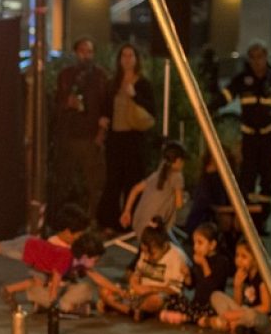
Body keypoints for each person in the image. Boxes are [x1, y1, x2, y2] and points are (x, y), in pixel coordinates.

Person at [0, 204, 91, 311]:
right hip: (26, 248)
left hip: (33, 256)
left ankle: (9, 290)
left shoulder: (65, 244)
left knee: (38, 280)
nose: (79, 237)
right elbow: (56, 274)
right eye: (78, 234)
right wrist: (53, 297)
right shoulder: (60, 246)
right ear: (67, 231)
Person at [209, 40, 271, 236]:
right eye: (253, 58)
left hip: (269, 138)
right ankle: (247, 224)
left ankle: (262, 222)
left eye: (260, 57)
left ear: (266, 56)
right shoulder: (242, 79)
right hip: (249, 137)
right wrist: (208, 107)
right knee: (247, 180)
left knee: (267, 181)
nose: (257, 61)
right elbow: (226, 96)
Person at [95, 43, 155, 234]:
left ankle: (131, 221)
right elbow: (106, 106)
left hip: (134, 139)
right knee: (113, 180)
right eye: (124, 56)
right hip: (115, 138)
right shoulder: (113, 83)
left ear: (136, 59)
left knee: (133, 179)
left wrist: (135, 96)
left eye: (131, 56)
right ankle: (110, 222)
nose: (127, 60)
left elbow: (151, 111)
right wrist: (103, 120)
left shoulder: (143, 84)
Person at [51, 35, 109, 216]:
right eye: (82, 51)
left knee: (94, 183)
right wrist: (67, 103)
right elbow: (56, 104)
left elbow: (106, 106)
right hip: (68, 135)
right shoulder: (66, 75)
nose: (86, 55)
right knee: (62, 181)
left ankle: (93, 219)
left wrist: (101, 134)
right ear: (76, 53)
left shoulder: (100, 76)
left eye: (89, 51)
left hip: (90, 137)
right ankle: (59, 218)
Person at [101, 218, 189, 321]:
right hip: (138, 295)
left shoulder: (176, 257)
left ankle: (124, 308)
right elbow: (137, 272)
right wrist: (134, 281)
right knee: (105, 290)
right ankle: (131, 311)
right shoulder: (146, 252)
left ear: (164, 246)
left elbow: (175, 290)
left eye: (152, 254)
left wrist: (150, 289)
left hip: (158, 295)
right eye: (144, 252)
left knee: (157, 300)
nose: (147, 257)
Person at [202, 237, 271, 334]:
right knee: (216, 295)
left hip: (265, 320)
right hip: (244, 313)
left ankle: (226, 323)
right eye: (237, 255)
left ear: (256, 259)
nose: (239, 260)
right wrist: (237, 286)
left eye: (244, 257)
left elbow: (266, 308)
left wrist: (240, 313)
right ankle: (235, 325)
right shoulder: (244, 275)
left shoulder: (262, 278)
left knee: (252, 316)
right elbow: (238, 304)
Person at [160, 222, 232, 326]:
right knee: (173, 299)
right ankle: (191, 317)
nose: (195, 247)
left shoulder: (222, 261)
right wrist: (187, 275)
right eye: (194, 243)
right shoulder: (199, 259)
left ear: (212, 245)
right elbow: (191, 285)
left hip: (211, 305)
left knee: (207, 312)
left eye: (200, 243)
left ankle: (190, 318)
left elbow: (213, 287)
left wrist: (204, 264)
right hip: (197, 303)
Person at [119, 139, 187, 243]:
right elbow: (179, 204)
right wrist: (185, 198)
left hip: (138, 224)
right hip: (154, 230)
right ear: (178, 160)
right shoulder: (177, 176)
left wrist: (127, 211)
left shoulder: (156, 175)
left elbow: (135, 189)